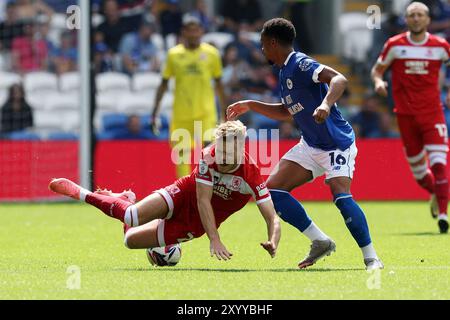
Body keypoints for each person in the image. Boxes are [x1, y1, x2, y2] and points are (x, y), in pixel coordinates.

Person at [227, 18, 383, 270]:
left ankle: (371, 257)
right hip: (311, 144)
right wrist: (251, 104)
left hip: (336, 143)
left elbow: (339, 80)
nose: (263, 50)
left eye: (264, 45)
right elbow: (286, 111)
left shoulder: (300, 63)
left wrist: (325, 104)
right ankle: (320, 241)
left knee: (341, 197)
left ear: (273, 42)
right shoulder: (284, 71)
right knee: (271, 192)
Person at [48, 121, 281, 261]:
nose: (220, 158)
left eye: (226, 155)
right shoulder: (208, 157)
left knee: (129, 241)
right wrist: (215, 239)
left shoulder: (252, 175)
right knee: (132, 216)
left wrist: (273, 241)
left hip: (195, 224)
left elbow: (272, 218)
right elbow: (202, 200)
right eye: (219, 151)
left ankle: (124, 199)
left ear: (240, 152)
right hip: (185, 194)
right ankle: (80, 193)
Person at [371, 2, 450, 233]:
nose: (416, 18)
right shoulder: (395, 45)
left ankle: (443, 215)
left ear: (427, 19)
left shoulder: (440, 46)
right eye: (412, 15)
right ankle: (437, 194)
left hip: (433, 114)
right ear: (406, 20)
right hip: (405, 116)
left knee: (439, 165)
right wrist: (378, 82)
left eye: (420, 15)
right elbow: (377, 70)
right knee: (419, 174)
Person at [151, 14, 227, 178]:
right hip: (181, 115)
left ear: (202, 31)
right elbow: (163, 84)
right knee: (181, 157)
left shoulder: (212, 54)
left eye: (196, 30)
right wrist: (155, 112)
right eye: (189, 30)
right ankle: (183, 194)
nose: (193, 34)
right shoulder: (173, 55)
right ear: (183, 32)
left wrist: (225, 113)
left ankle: (212, 190)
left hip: (206, 113)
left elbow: (219, 84)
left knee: (210, 152)